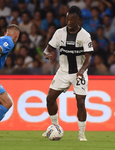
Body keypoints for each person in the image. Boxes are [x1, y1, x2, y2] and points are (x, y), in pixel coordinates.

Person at [42, 6, 93, 141]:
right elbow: (48, 49)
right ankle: (55, 127)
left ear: (78, 20)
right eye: (67, 19)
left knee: (80, 102)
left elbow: (89, 57)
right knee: (49, 99)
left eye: (72, 20)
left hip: (79, 73)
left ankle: (81, 134)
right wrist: (47, 53)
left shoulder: (85, 35)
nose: (69, 22)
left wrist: (82, 71)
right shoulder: (59, 33)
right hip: (63, 72)